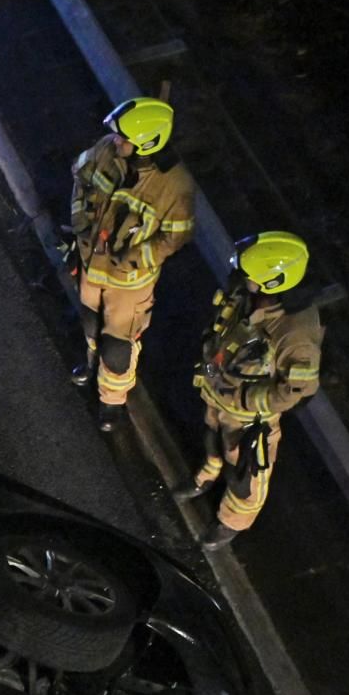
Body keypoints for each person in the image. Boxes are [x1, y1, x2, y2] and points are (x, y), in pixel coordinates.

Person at [177, 232, 323, 550]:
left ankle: (232, 522)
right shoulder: (251, 295)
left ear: (273, 283)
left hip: (247, 417)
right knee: (212, 438)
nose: (240, 278)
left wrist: (247, 400)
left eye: (249, 276)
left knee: (246, 477)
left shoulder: (295, 333)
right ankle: (205, 477)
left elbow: (297, 388)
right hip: (218, 394)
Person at [65, 97, 196, 430]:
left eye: (124, 138)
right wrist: (80, 219)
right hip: (92, 262)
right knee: (91, 324)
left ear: (145, 144)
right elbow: (80, 178)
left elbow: (173, 238)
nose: (116, 141)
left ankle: (112, 403)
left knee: (117, 347)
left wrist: (133, 261)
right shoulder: (107, 150)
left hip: (129, 283)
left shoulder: (175, 187)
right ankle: (91, 365)